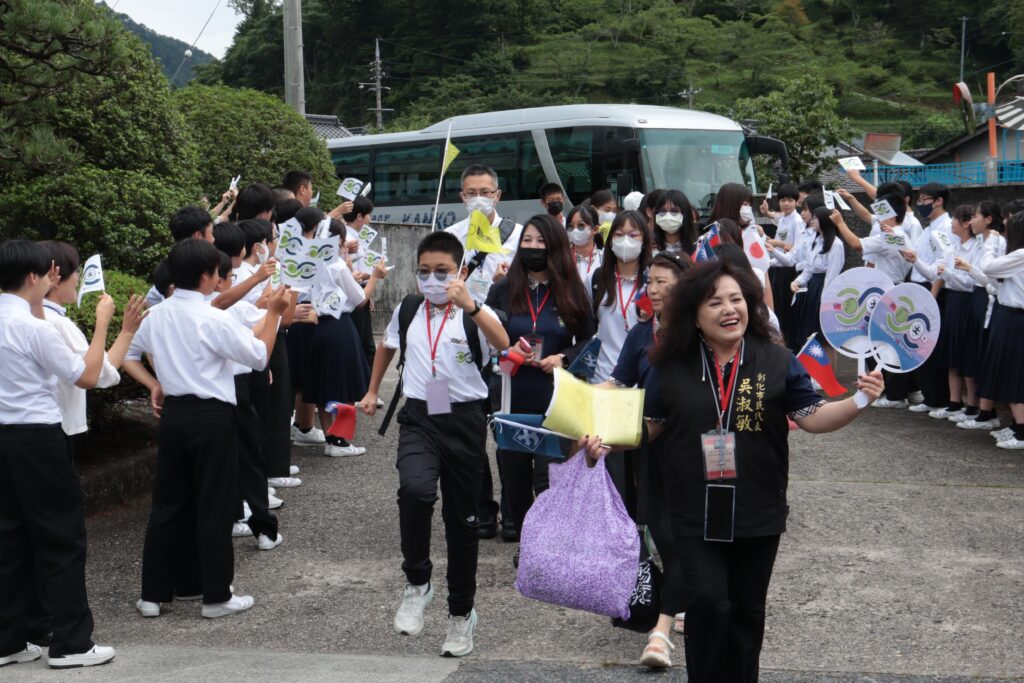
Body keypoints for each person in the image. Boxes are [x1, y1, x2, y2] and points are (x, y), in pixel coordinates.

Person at [580, 258, 885, 682]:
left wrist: (859, 401)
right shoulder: (671, 365)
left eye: (736, 299)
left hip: (758, 509)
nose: (729, 309)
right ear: (694, 316)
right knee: (707, 602)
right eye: (715, 302)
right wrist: (604, 441)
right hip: (692, 508)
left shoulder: (777, 361)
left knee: (746, 612)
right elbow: (648, 426)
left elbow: (813, 417)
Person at [357, 231, 509, 657]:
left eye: (442, 272)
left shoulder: (473, 312)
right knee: (415, 490)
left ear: (460, 271)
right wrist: (371, 391)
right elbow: (386, 348)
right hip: (420, 415)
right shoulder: (408, 309)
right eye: (424, 272)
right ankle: (417, 582)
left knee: (462, 524)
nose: (432, 279)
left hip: (464, 422)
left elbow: (504, 345)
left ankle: (461, 615)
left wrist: (472, 306)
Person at [123, 239, 290, 619]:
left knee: (168, 503)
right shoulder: (214, 318)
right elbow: (259, 357)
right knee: (214, 503)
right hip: (212, 416)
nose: (220, 280)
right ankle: (216, 595)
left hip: (175, 416)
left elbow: (130, 354)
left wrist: (155, 383)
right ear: (205, 276)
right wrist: (275, 314)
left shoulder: (158, 315)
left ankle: (152, 594)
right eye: (217, 274)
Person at [0, 240, 121, 668]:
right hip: (38, 439)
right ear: (34, 277)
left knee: (10, 538)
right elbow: (87, 375)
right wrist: (104, 324)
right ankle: (71, 643)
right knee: (62, 539)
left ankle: (8, 640)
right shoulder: (35, 328)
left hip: (4, 439)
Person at [485, 214, 596, 564]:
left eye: (540, 241)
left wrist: (564, 356)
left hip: (555, 400)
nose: (532, 247)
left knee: (549, 475)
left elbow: (590, 341)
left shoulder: (572, 289)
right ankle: (529, 540)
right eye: (527, 241)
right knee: (514, 477)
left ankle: (551, 542)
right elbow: (488, 339)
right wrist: (507, 352)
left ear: (556, 247)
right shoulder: (502, 289)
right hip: (510, 396)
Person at [603, 251, 692, 668]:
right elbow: (618, 383)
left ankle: (660, 633)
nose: (652, 290)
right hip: (650, 450)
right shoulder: (641, 334)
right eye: (649, 282)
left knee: (677, 539)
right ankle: (681, 600)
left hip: (696, 452)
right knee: (661, 535)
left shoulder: (701, 329)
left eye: (662, 281)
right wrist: (573, 398)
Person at [831, 195, 915, 408]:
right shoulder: (898, 234)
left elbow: (856, 245)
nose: (878, 216)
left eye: (882, 211)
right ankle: (890, 389)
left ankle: (894, 394)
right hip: (890, 290)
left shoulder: (891, 235)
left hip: (888, 292)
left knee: (885, 342)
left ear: (892, 214)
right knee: (885, 341)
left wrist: (840, 222)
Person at [924, 206, 984, 423]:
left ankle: (973, 406)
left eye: (955, 220)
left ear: (966, 223)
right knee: (951, 355)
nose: (951, 224)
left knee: (966, 355)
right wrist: (915, 260)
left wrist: (946, 273)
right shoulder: (953, 246)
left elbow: (969, 283)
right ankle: (954, 402)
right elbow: (934, 272)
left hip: (967, 302)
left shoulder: (977, 247)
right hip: (953, 301)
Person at [900, 182, 954, 414]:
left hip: (933, 291)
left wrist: (931, 294)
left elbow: (942, 267)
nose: (921, 204)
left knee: (934, 346)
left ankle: (939, 398)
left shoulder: (946, 227)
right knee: (922, 345)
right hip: (921, 288)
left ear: (938, 200)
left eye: (924, 199)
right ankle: (931, 396)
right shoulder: (930, 226)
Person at [956, 201, 1007, 432]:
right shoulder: (981, 241)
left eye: (976, 216)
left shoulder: (997, 243)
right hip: (979, 300)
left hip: (991, 302)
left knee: (985, 359)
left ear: (988, 219)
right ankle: (979, 410)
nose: (971, 220)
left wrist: (970, 269)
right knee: (975, 358)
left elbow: (992, 279)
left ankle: (987, 412)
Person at [976, 212, 1024, 449]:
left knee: (1015, 374)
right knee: (1010, 372)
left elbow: (988, 266)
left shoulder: (1021, 255)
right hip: (1009, 316)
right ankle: (1017, 426)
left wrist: (990, 243)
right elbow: (993, 281)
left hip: (1016, 319)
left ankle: (1022, 432)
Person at [445, 165, 523, 304]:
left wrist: (509, 281)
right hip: (461, 318)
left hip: (501, 316)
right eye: (471, 193)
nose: (478, 198)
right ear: (463, 196)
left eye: (485, 192)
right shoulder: (450, 236)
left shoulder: (519, 235)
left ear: (497, 195)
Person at [788, 206, 845, 363]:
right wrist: (797, 281)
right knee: (812, 333)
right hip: (813, 288)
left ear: (825, 221)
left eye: (815, 218)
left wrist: (825, 301)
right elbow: (809, 269)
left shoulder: (836, 244)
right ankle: (816, 373)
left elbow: (832, 276)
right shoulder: (817, 241)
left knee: (824, 336)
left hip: (825, 290)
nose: (812, 221)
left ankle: (829, 375)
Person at [763, 183, 802, 330]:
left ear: (796, 201)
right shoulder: (783, 219)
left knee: (786, 312)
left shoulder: (797, 221)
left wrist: (777, 244)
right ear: (778, 201)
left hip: (789, 271)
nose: (786, 204)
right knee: (778, 309)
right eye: (783, 200)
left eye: (790, 200)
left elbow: (798, 249)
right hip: (777, 268)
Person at [565, 204, 603, 285]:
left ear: (595, 229)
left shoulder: (605, 258)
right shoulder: (561, 258)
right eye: (570, 226)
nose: (575, 230)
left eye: (581, 226)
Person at [652, 189, 698, 256]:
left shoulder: (697, 249)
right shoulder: (649, 247)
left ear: (685, 214)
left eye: (674, 211)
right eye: (662, 210)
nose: (668, 216)